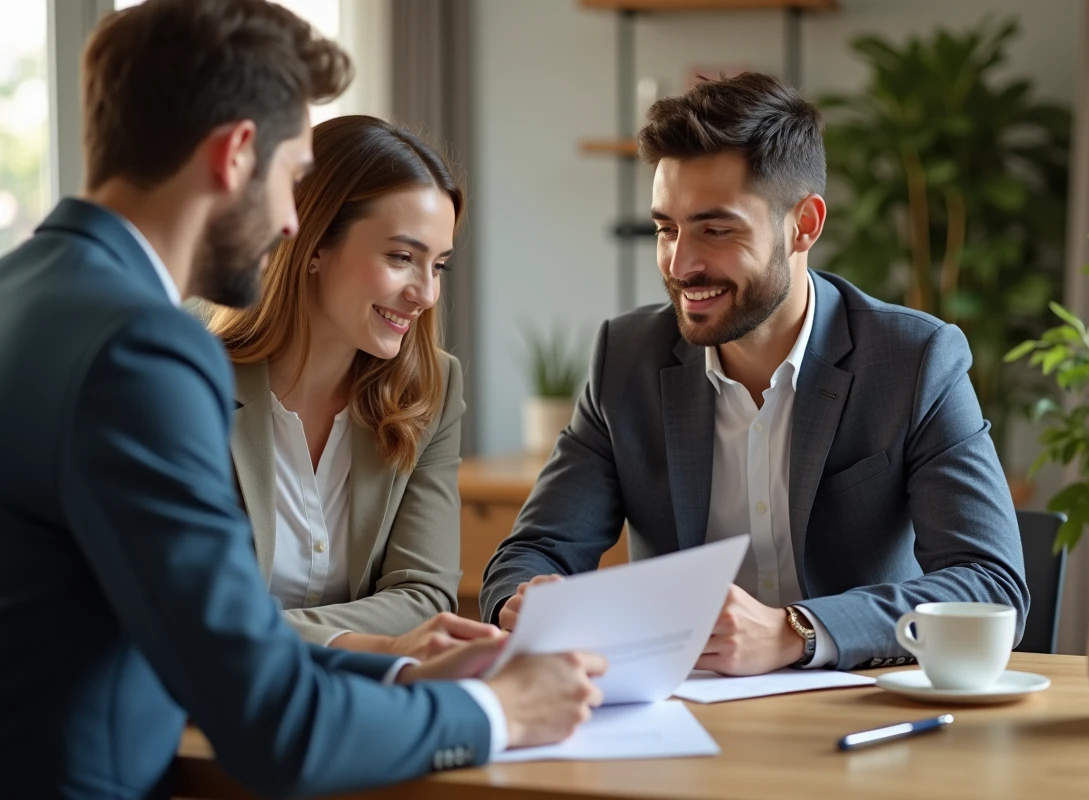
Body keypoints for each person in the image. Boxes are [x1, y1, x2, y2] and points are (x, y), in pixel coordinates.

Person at [0, 1, 602, 797]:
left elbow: (167, 635)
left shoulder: (21, 293)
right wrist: (494, 711)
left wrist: (391, 675)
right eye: (290, 177)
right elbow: (273, 726)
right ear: (236, 155)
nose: (288, 219)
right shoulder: (145, 350)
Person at [481, 72, 1029, 676]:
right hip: (685, 715)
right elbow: (537, 549)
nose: (680, 263)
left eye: (716, 230)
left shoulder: (914, 359)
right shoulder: (626, 357)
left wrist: (797, 632)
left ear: (804, 225)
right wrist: (523, 599)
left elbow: (990, 583)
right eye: (666, 229)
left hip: (859, 708)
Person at [205, 115, 494, 660]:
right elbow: (194, 613)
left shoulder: (431, 389)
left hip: (358, 700)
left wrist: (266, 629)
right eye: (401, 258)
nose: (426, 293)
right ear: (311, 243)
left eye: (439, 266)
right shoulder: (193, 386)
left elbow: (425, 595)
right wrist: (369, 640)